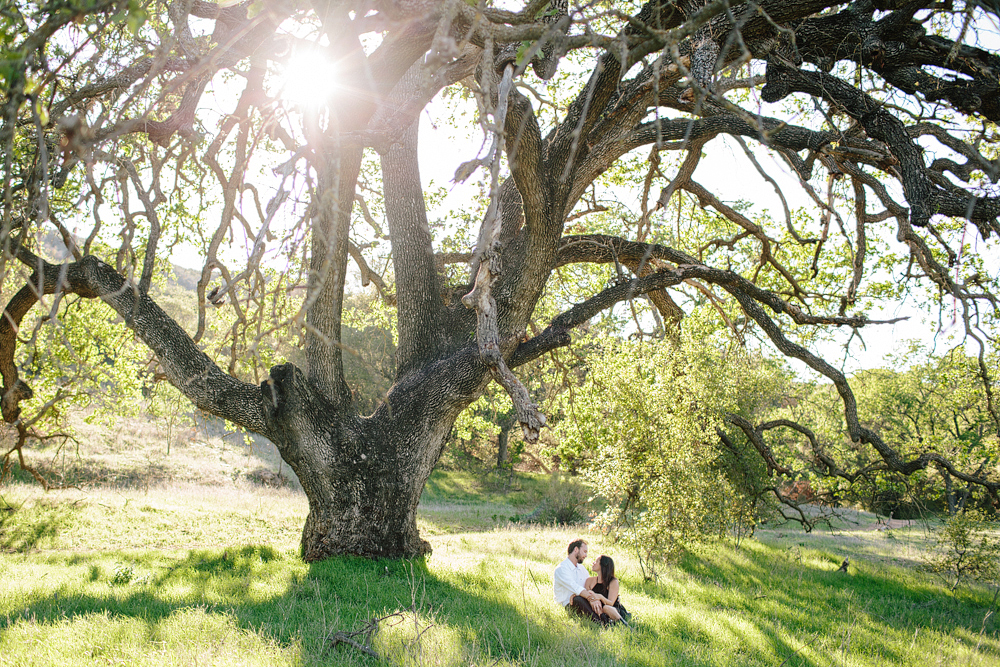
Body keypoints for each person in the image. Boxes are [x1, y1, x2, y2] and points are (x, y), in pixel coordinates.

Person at [553, 539, 604, 621]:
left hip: (582, 599)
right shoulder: (562, 569)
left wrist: (596, 597)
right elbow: (576, 588)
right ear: (576, 549)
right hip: (569, 605)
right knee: (578, 599)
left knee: (602, 593)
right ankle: (600, 622)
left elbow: (588, 587)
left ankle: (619, 616)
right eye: (584, 551)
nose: (586, 555)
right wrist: (591, 599)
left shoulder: (582, 569)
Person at [585, 554, 629, 626]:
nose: (593, 563)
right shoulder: (589, 581)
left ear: (603, 565)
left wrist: (600, 597)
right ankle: (605, 622)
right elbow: (587, 595)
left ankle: (623, 624)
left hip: (613, 610)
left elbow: (611, 603)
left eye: (596, 561)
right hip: (597, 609)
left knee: (606, 608)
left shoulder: (613, 581)